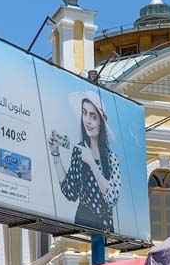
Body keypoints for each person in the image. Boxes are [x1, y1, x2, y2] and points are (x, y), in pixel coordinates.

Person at [49, 91, 121, 233]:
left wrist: (92, 164)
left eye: (93, 116)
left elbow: (112, 197)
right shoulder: (79, 151)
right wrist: (55, 154)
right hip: (83, 221)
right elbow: (70, 191)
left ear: (101, 122)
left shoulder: (111, 158)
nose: (87, 120)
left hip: (105, 226)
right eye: (84, 113)